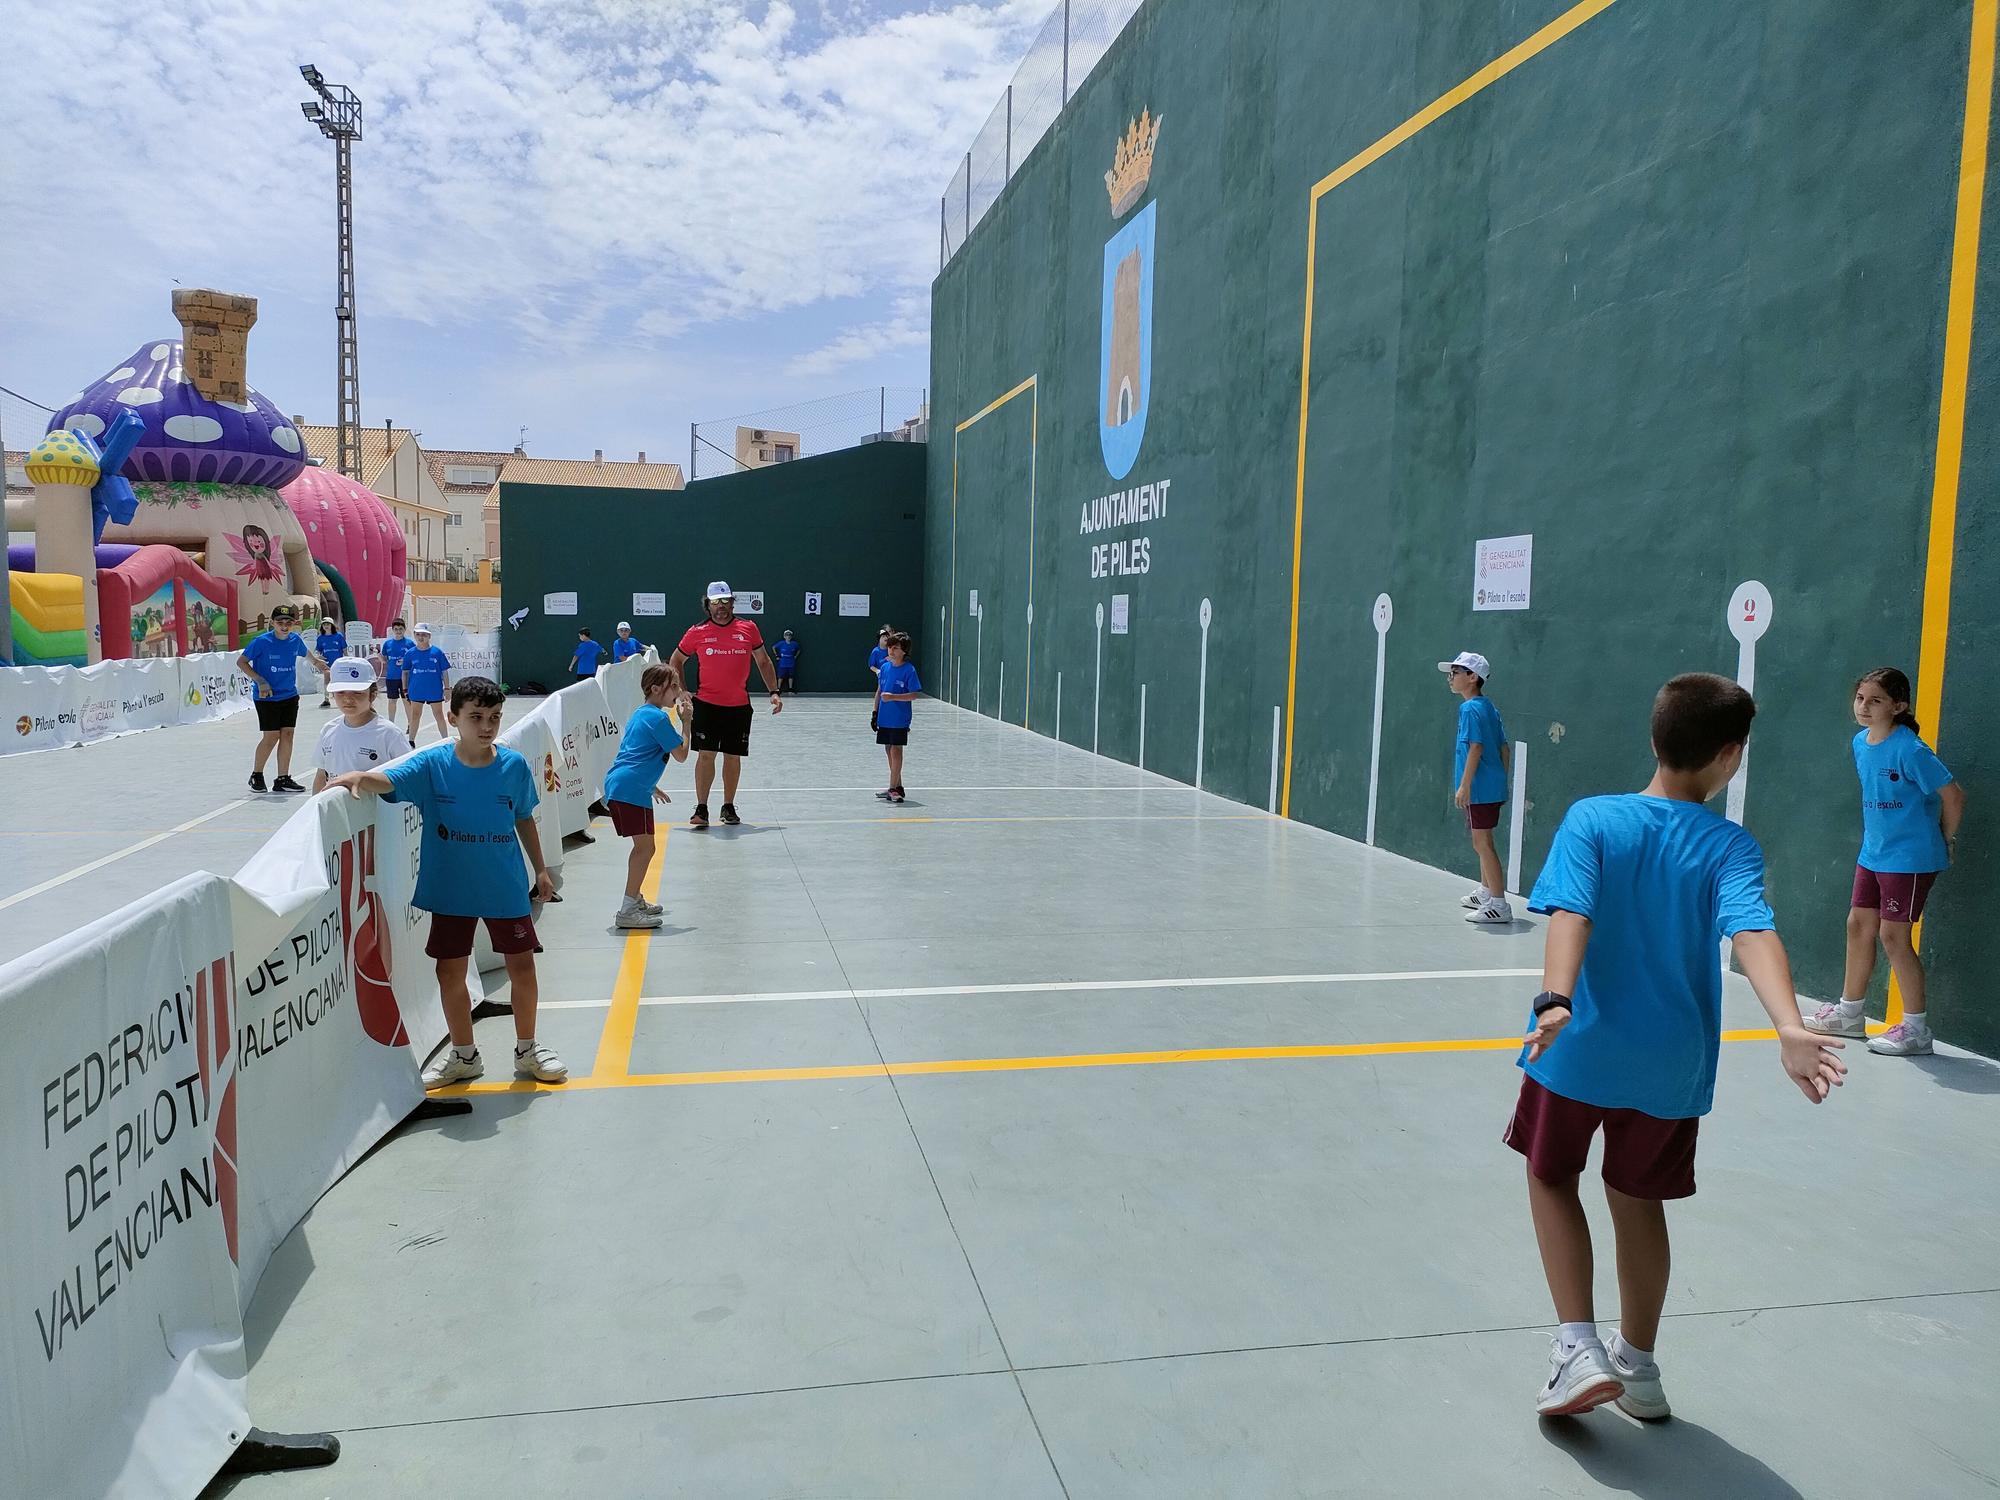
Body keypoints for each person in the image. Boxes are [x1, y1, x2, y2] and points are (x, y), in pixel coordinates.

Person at [1508, 673, 1845, 1420]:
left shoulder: (1593, 819)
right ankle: (1639, 1365)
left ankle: (1576, 1349)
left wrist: (1556, 997)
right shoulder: (1730, 844)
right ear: (1729, 757)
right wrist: (1788, 1024)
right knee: (1639, 1201)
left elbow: (1571, 913)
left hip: (1579, 1050)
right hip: (1671, 1066)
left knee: (1551, 1175)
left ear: (1654, 738)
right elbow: (1752, 929)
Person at [329, 676, 568, 1087]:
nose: (487, 727)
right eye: (476, 717)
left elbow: (524, 817)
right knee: (449, 972)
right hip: (451, 888)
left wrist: (541, 869)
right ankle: (464, 1055)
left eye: (494, 718)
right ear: (454, 717)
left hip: (505, 887)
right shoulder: (433, 764)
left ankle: (527, 1049)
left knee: (522, 968)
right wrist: (360, 778)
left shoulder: (512, 767)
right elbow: (391, 781)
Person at [1803, 666, 1966, 1057]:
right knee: (1858, 925)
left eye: (1875, 700)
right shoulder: (1862, 743)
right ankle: (1850, 1014)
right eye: (1860, 698)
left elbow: (1953, 795)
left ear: (1899, 705)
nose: (1864, 706)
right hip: (1873, 854)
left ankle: (1916, 1030)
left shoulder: (1910, 749)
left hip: (1909, 858)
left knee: (1893, 937)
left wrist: (1946, 838)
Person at [667, 581, 783, 829]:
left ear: (732, 602)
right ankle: (702, 807)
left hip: (738, 706)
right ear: (707, 605)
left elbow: (763, 661)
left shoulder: (748, 628)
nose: (721, 607)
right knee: (706, 755)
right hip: (707, 705)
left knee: (732, 757)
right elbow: (676, 660)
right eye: (715, 602)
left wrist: (773, 691)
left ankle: (728, 806)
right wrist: (683, 692)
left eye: (725, 601)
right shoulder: (696, 632)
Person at [602, 664, 694, 928]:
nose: (677, 691)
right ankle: (628, 910)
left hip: (627, 786)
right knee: (645, 848)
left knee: (644, 847)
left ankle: (635, 899)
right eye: (673, 686)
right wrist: (686, 722)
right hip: (630, 789)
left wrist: (651, 785)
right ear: (656, 689)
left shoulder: (641, 715)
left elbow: (635, 752)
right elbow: (681, 754)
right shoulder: (657, 718)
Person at [1441, 651, 1512, 925]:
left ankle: (1499, 905)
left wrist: (1465, 785)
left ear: (1472, 677)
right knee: (1483, 842)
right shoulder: (1488, 707)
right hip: (1490, 787)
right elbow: (1504, 749)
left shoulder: (1469, 709)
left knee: (1482, 843)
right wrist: (1497, 779)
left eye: (1455, 673)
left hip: (1479, 789)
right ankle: (1486, 892)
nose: (1450, 678)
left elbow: (1477, 747)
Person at [237, 604, 328, 794]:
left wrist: (318, 664)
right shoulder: (261, 642)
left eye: (288, 622)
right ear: (272, 623)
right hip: (266, 697)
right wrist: (260, 681)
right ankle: (257, 774)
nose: (284, 626)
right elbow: (242, 662)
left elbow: (307, 655)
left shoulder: (295, 640)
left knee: (287, 735)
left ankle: (283, 778)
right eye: (280, 622)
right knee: (271, 737)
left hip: (289, 695)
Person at [312, 659, 410, 792]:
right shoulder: (328, 730)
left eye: (357, 692)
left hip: (374, 811)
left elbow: (408, 776)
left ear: (373, 695)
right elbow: (321, 776)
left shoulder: (389, 734)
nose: (348, 699)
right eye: (341, 692)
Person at [873, 632, 921, 803]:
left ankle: (893, 788)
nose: (891, 650)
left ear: (904, 651)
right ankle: (896, 786)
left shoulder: (909, 670)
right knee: (888, 750)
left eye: (895, 648)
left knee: (896, 750)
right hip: (884, 718)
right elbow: (879, 690)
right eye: (890, 647)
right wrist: (875, 713)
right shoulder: (885, 668)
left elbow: (914, 695)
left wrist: (893, 697)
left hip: (900, 719)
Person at [403, 623, 452, 743]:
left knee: (439, 715)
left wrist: (447, 689)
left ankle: (446, 741)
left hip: (434, 689)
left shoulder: (437, 652)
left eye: (424, 634)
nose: (421, 637)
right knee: (415, 715)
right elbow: (405, 672)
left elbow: (444, 672)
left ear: (429, 636)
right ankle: (411, 742)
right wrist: (405, 689)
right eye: (418, 634)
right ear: (414, 635)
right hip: (416, 689)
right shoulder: (410, 653)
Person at [380, 618, 414, 724]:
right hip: (391, 677)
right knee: (392, 700)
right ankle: (391, 723)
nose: (398, 631)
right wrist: (378, 655)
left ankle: (410, 723)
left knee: (406, 701)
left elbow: (414, 659)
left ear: (404, 629)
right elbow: (384, 660)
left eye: (400, 629)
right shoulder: (387, 644)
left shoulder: (410, 643)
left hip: (405, 678)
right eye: (396, 629)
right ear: (393, 630)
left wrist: (405, 661)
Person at [314, 617, 346, 708]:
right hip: (326, 663)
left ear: (332, 625)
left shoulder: (339, 636)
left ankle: (341, 699)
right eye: (324, 624)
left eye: (328, 624)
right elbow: (318, 650)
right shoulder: (320, 638)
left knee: (339, 681)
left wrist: (347, 660)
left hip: (338, 663)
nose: (326, 626)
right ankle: (326, 699)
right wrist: (318, 656)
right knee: (327, 680)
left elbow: (344, 649)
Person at [772, 629, 801, 693]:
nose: (788, 636)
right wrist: (777, 655)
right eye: (787, 635)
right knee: (781, 676)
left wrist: (795, 656)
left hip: (791, 662)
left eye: (789, 635)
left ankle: (790, 688)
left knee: (791, 676)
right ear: (784, 636)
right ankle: (778, 688)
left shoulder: (794, 644)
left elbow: (798, 649)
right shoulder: (781, 643)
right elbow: (774, 647)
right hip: (782, 663)